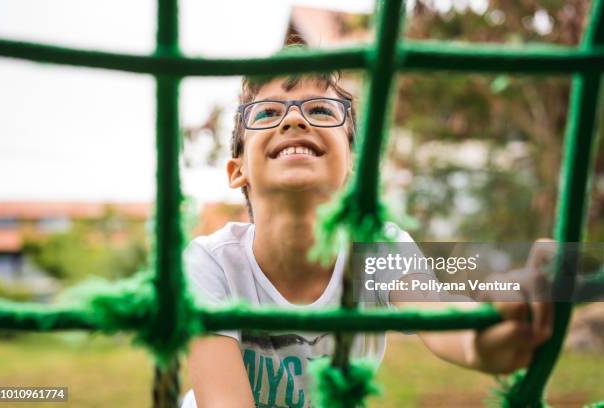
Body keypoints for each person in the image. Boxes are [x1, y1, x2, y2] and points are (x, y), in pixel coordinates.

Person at [181, 69, 553, 408]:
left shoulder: (378, 247)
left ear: (352, 163)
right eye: (267, 113)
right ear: (237, 170)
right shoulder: (211, 263)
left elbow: (446, 322)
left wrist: (498, 321)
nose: (294, 118)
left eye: (322, 111)